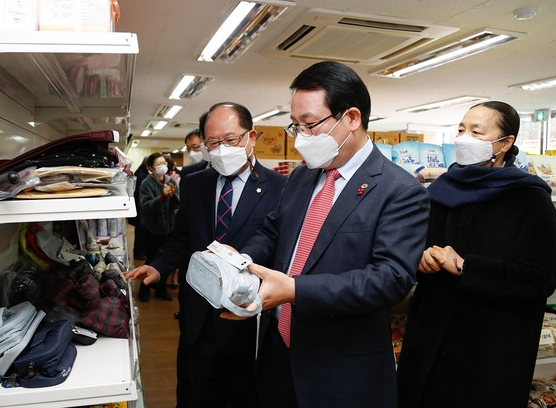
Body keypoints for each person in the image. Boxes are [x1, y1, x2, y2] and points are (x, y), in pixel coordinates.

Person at [222, 61, 430, 408]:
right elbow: (274, 230)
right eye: (296, 126)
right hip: (280, 352)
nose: (302, 137)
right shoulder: (304, 177)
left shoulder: (400, 190)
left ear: (351, 118)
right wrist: (242, 260)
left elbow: (390, 278)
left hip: (342, 367)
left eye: (310, 125)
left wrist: (295, 290)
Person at [126, 102, 288, 408]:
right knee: (196, 390)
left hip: (246, 313)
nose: (221, 149)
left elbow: (275, 242)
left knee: (243, 392)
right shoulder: (195, 181)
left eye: (231, 140)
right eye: (213, 143)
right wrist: (158, 267)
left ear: (251, 137)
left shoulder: (280, 188)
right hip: (198, 310)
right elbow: (182, 236)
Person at [397, 101, 556, 408]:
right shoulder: (441, 189)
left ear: (506, 143)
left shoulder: (529, 199)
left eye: (476, 131)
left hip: (491, 348)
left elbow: (539, 279)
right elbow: (414, 248)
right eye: (461, 129)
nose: (463, 137)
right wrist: (420, 258)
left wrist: (468, 267)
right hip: (430, 338)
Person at [137, 152, 179, 302]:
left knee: (165, 260)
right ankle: (144, 289)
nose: (163, 166)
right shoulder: (146, 183)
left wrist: (173, 195)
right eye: (159, 164)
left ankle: (161, 289)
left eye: (164, 163)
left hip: (168, 227)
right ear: (150, 167)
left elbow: (177, 203)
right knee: (152, 259)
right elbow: (146, 206)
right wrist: (161, 196)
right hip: (151, 228)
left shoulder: (170, 180)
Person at [179, 113, 210, 182]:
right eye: (188, 149)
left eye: (195, 147)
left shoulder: (220, 168)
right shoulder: (187, 171)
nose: (191, 153)